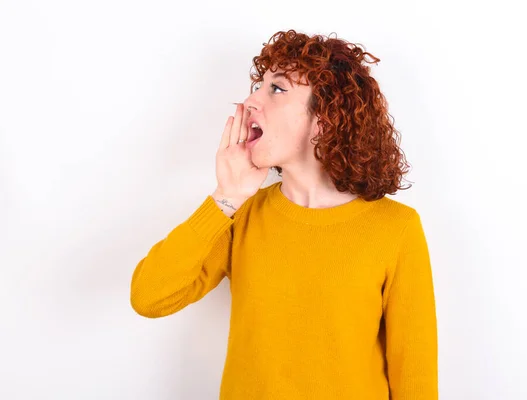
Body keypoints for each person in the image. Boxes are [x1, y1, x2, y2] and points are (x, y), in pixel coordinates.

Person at [130, 29, 438, 400]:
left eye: (276, 89)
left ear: (325, 118)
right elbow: (149, 297)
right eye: (258, 85)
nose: (250, 101)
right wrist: (226, 196)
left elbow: (415, 376)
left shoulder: (396, 228)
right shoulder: (239, 215)